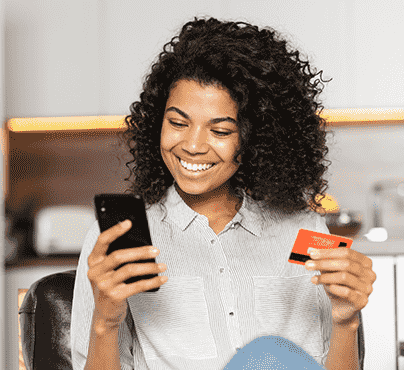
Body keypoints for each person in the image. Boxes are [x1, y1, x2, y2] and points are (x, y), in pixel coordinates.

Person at [71, 17, 376, 370]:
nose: (193, 145)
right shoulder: (117, 240)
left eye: (220, 130)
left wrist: (347, 321)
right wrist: (105, 322)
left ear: (255, 137)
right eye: (177, 123)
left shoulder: (307, 232)